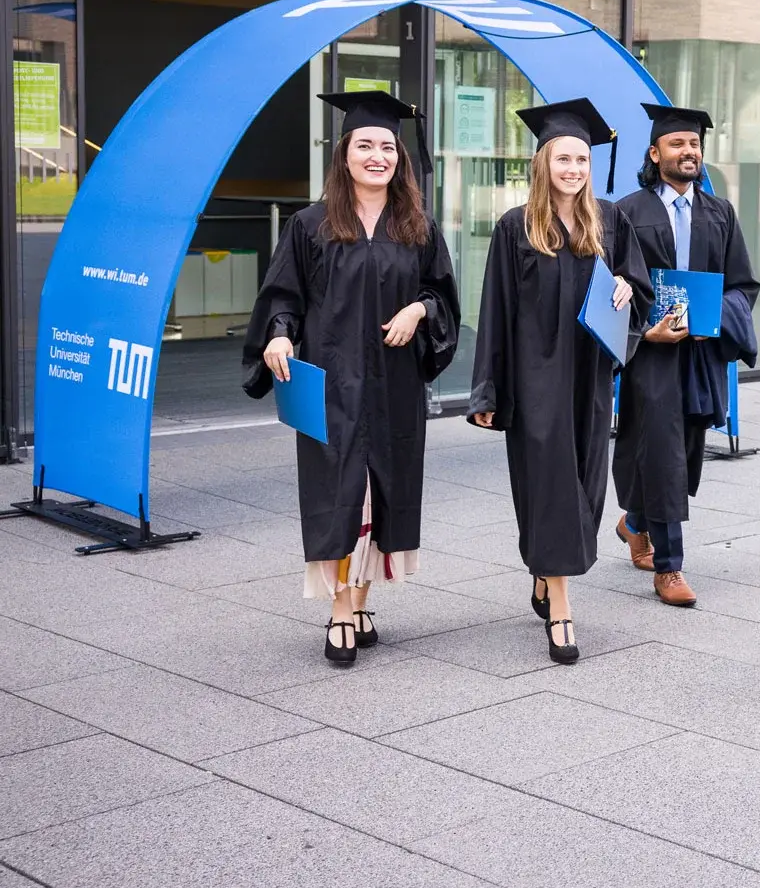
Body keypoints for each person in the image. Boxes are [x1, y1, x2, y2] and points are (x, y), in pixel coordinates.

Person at [243, 91, 459, 666]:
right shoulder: (311, 225)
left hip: (393, 385)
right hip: (331, 383)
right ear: (344, 155)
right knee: (341, 494)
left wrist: (419, 311)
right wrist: (280, 334)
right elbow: (281, 297)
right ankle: (344, 608)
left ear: (399, 159)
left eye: (387, 147)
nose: (377, 155)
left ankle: (357, 600)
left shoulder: (418, 227)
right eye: (364, 145)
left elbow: (443, 298)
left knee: (381, 490)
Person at [468, 98, 641, 664]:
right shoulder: (514, 226)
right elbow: (494, 310)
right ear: (542, 163)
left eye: (582, 160)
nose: (573, 169)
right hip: (535, 380)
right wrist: (488, 390)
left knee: (588, 490)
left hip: (589, 377)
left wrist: (626, 289)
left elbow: (635, 285)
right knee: (551, 488)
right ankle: (562, 608)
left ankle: (546, 571)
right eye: (563, 158)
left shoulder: (609, 220)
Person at [609, 102, 759, 607]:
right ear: (656, 153)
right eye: (677, 144)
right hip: (650, 354)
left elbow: (742, 284)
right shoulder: (628, 212)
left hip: (700, 354)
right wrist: (644, 332)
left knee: (688, 452)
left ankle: (635, 523)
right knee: (662, 451)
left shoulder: (720, 213)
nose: (688, 151)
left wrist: (714, 320)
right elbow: (611, 289)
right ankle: (670, 567)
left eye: (694, 144)